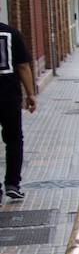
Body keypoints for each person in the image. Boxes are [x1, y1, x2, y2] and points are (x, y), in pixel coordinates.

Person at [0, 20, 38, 202]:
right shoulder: (12, 33)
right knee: (14, 139)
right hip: (8, 96)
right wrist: (30, 94)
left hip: (9, 96)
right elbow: (23, 66)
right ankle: (12, 184)